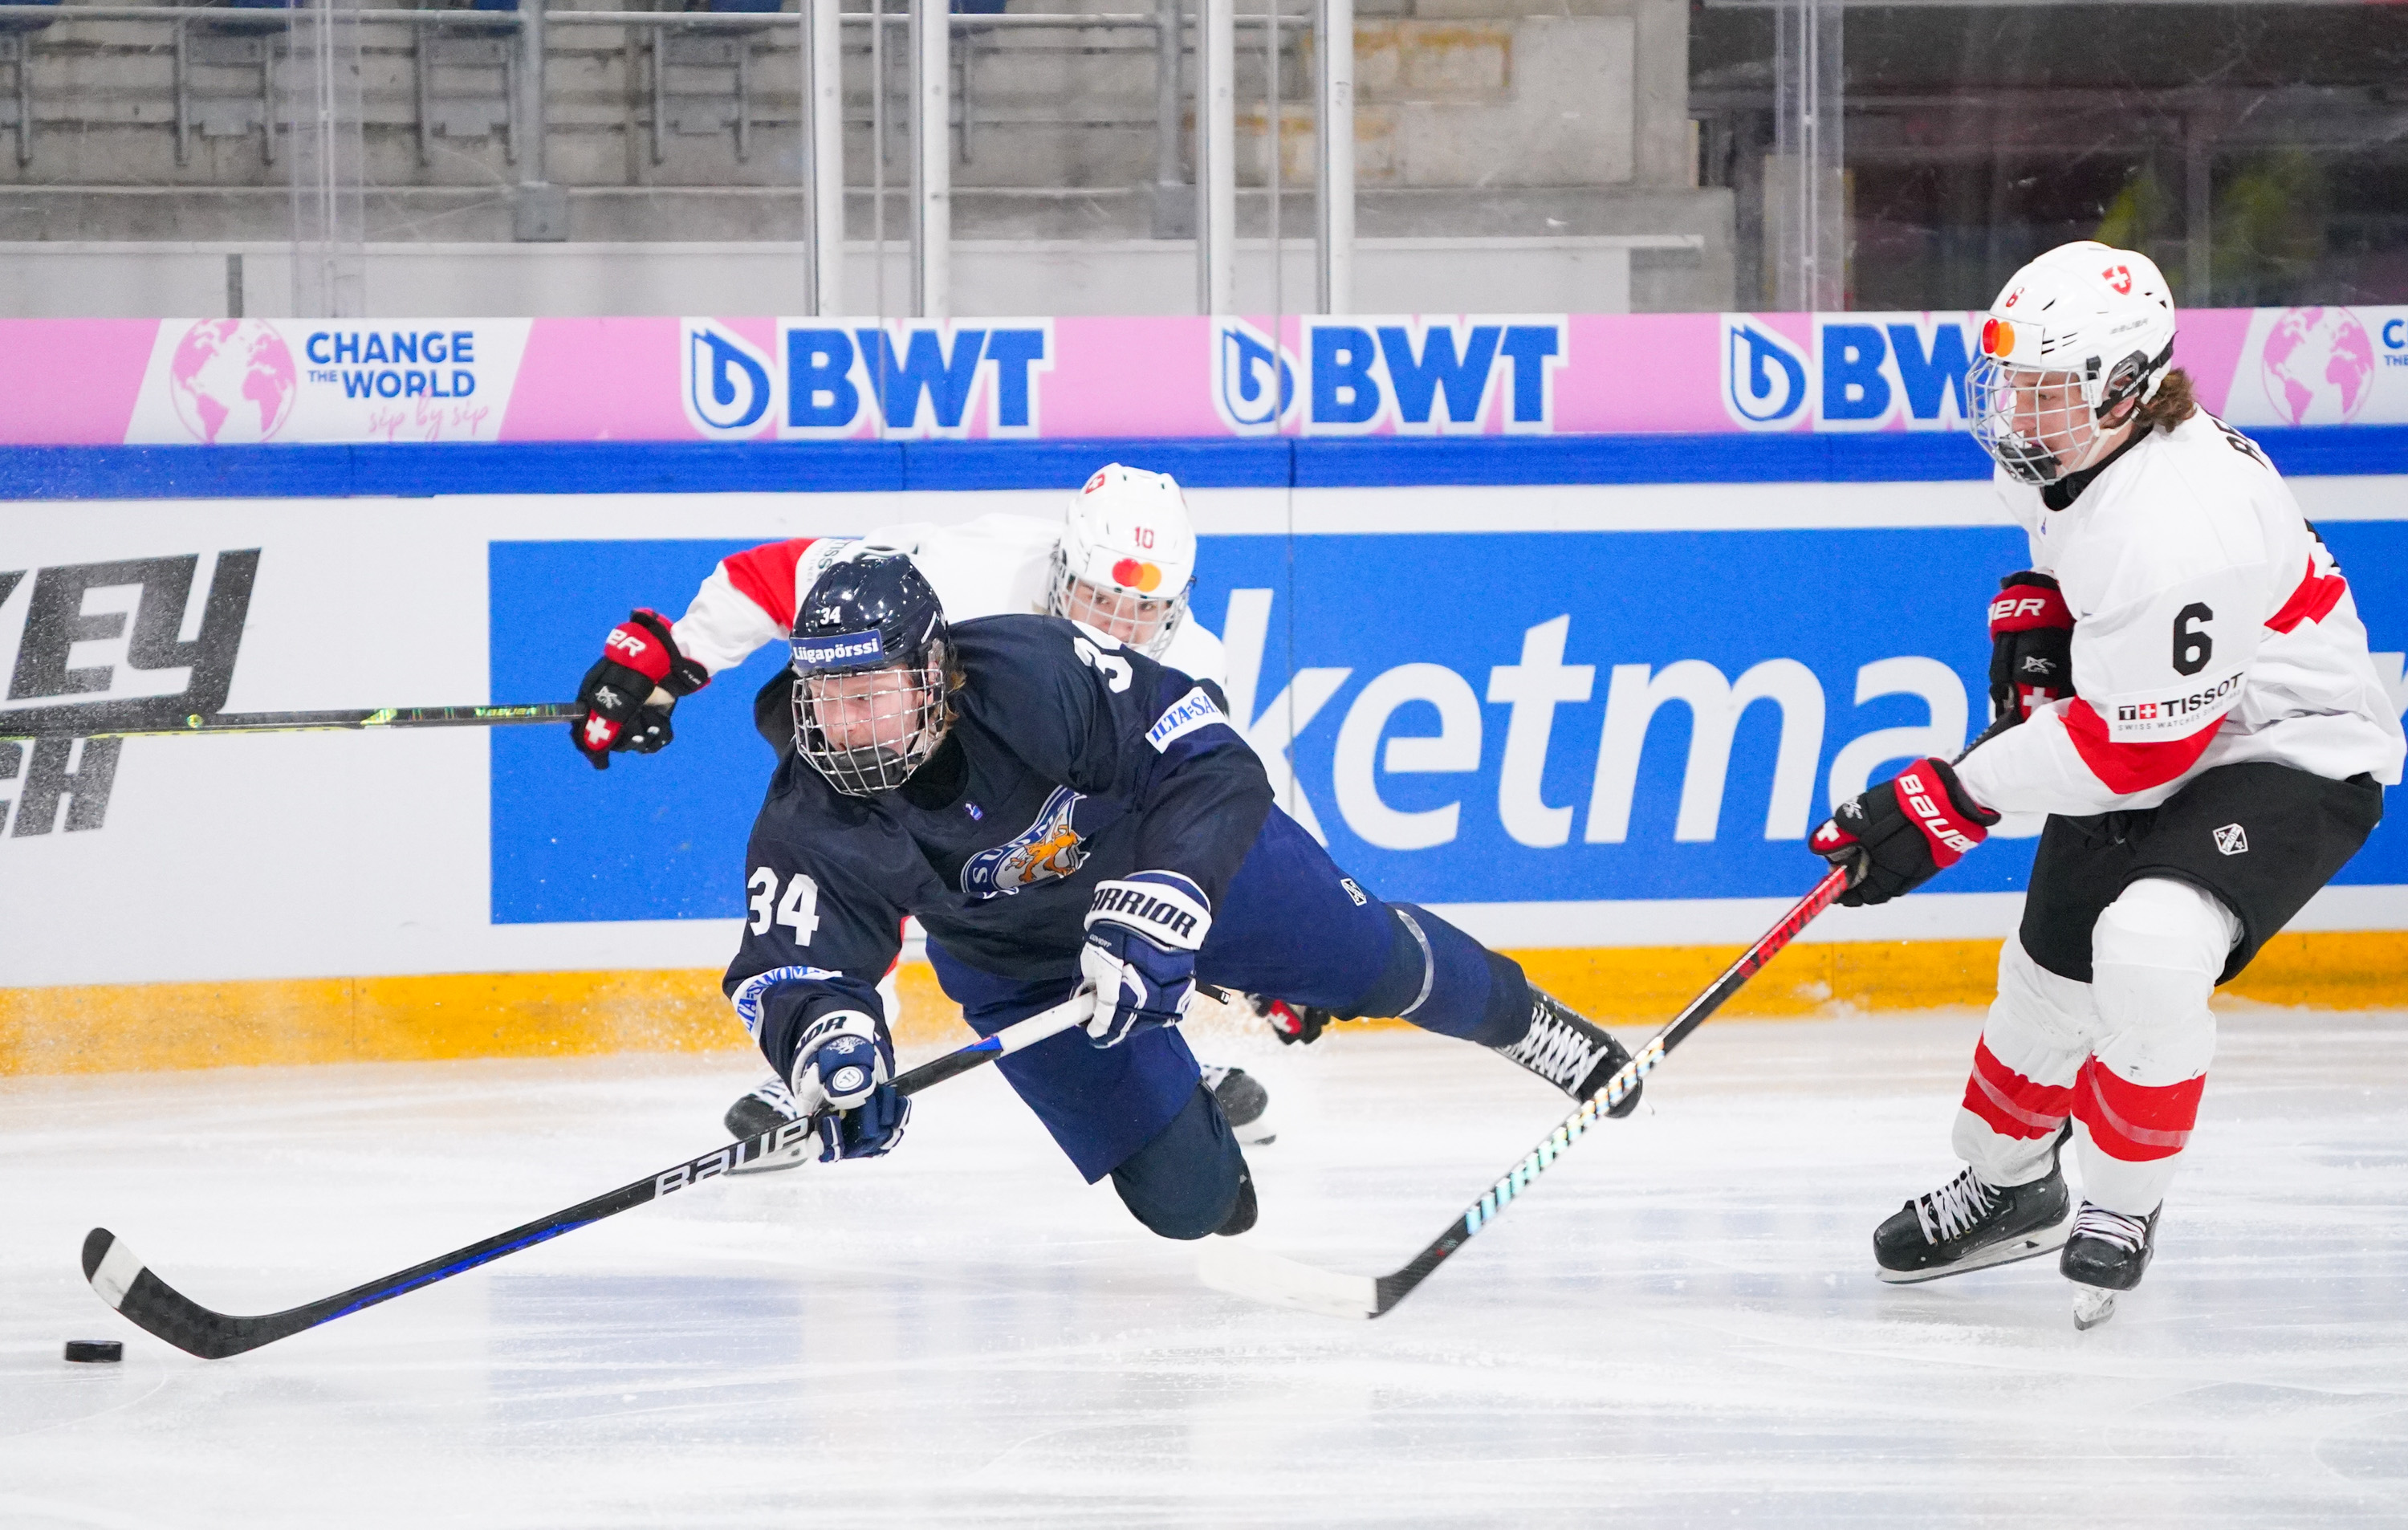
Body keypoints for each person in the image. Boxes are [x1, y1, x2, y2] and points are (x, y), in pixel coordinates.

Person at [715, 546, 1644, 1239]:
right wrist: (832, 1051)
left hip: (1177, 866)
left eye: (870, 692)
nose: (847, 724)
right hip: (1025, 968)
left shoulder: (1037, 674)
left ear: (932, 674)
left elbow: (1209, 760)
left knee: (1376, 967)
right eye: (827, 697)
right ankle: (1178, 1069)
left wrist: (1167, 890)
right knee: (1197, 1207)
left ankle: (1521, 1020)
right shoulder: (810, 805)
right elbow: (798, 964)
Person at [1808, 242, 2402, 1327]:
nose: (2019, 413)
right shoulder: (2070, 447)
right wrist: (2037, 617)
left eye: (2045, 389)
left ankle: (2122, 1202)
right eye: (2014, 386)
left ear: (2125, 386)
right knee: (2049, 974)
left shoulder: (2184, 521)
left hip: (2290, 748)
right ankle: (2008, 1179)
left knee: (2150, 946)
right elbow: (2059, 548)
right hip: (2154, 710)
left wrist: (1954, 797)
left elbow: (2136, 758)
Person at [567, 466, 1281, 1158]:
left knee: (1103, 862)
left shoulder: (1191, 667)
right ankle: (832, 1038)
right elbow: (775, 576)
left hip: (1035, 777)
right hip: (878, 715)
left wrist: (1274, 970)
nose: (1121, 627)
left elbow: (1205, 816)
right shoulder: (971, 569)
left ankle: (1158, 1059)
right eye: (1098, 600)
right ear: (1062, 568)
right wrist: (673, 658)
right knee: (868, 849)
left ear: (1181, 600)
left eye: (1145, 610)